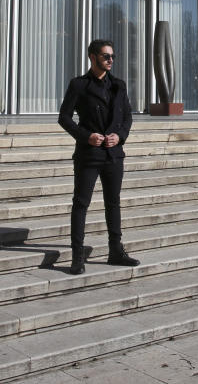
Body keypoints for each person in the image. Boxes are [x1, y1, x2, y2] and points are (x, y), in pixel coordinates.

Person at [58, 39, 139, 275]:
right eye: (106, 56)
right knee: (81, 204)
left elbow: (128, 118)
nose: (110, 60)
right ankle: (77, 256)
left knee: (113, 203)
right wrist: (86, 137)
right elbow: (64, 118)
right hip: (89, 154)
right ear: (92, 57)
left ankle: (116, 251)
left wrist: (120, 136)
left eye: (112, 56)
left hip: (114, 155)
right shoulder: (79, 85)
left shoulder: (119, 85)